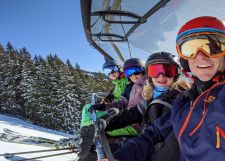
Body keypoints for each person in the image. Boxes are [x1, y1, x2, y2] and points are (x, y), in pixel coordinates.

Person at [113, 16, 225, 161]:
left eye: (214, 48)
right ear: (185, 61)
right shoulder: (185, 100)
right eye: (190, 50)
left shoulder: (176, 97)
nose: (201, 57)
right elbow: (154, 132)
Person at [104, 52, 190, 161]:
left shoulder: (179, 100)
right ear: (149, 74)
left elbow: (164, 141)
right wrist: (108, 124)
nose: (161, 76)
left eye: (168, 71)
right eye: (155, 71)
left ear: (176, 74)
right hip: (143, 141)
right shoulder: (150, 94)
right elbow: (133, 114)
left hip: (155, 150)